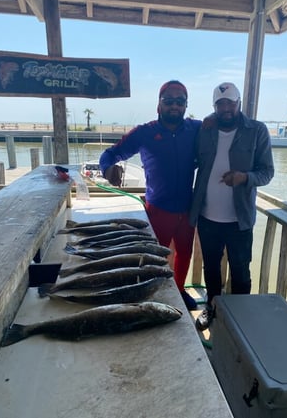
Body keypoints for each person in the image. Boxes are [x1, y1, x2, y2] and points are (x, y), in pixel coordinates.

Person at [99, 80, 201, 310]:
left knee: (184, 254)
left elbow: (223, 133)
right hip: (157, 210)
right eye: (168, 101)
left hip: (187, 209)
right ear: (158, 105)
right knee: (150, 257)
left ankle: (180, 290)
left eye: (180, 101)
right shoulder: (145, 132)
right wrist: (107, 169)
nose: (174, 106)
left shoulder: (197, 129)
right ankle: (150, 292)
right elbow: (110, 154)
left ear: (186, 106)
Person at [189, 82, 274, 330]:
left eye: (230, 103)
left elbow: (267, 172)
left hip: (240, 219)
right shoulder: (206, 129)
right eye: (220, 104)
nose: (226, 108)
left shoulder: (257, 130)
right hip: (207, 216)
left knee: (240, 271)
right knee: (211, 268)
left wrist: (244, 177)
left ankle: (240, 318)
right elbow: (193, 159)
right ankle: (211, 308)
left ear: (239, 103)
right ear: (215, 106)